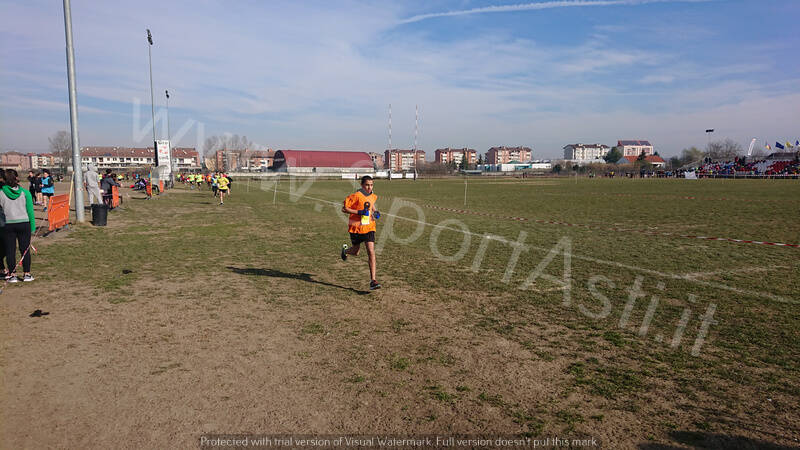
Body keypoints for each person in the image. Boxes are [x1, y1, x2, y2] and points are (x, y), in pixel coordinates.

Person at [340, 175, 381, 290]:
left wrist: (375, 211)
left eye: (371, 185)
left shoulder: (372, 195)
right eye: (367, 185)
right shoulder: (356, 196)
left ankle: (373, 280)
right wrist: (359, 212)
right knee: (355, 251)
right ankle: (345, 251)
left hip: (369, 227)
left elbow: (370, 204)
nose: (369, 187)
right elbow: (344, 209)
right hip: (356, 227)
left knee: (371, 251)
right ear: (362, 185)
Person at [0, 169, 35, 282]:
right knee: (24, 250)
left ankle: (13, 274)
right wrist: (32, 227)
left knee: (10, 250)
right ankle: (27, 273)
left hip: (8, 225)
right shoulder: (26, 193)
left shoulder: (1, 193)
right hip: (23, 224)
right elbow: (30, 212)